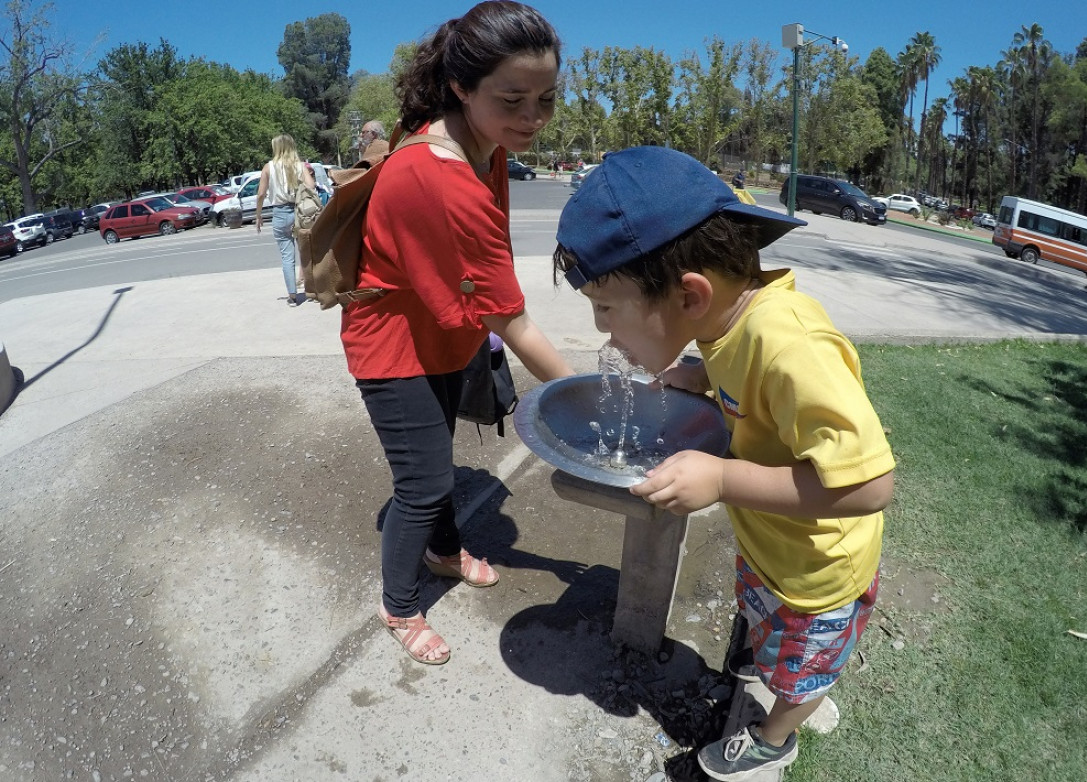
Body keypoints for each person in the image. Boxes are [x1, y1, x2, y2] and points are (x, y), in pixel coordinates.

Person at [553, 146, 896, 781]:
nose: (604, 334)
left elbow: (870, 484)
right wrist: (701, 372)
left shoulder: (792, 344)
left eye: (607, 309)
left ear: (689, 294)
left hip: (818, 573)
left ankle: (776, 734)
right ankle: (777, 669)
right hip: (773, 546)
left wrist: (720, 478)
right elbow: (739, 361)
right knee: (771, 637)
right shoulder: (728, 324)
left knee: (804, 670)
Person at [341, 1, 573, 666]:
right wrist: (583, 398)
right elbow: (513, 318)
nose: (533, 118)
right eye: (513, 99)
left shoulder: (485, 143)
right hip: (390, 344)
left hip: (442, 330)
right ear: (462, 87)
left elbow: (480, 280)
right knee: (420, 483)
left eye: (545, 99)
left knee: (436, 456)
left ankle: (443, 551)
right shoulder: (437, 174)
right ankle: (399, 606)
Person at [256, 134, 316, 306]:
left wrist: (258, 215)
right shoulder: (299, 165)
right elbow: (311, 185)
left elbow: (261, 194)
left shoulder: (269, 167)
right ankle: (312, 291)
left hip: (280, 213)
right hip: (299, 211)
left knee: (287, 256)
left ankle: (292, 296)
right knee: (305, 252)